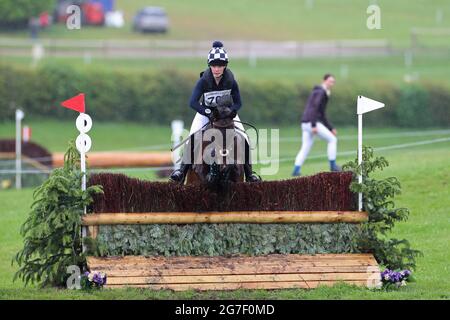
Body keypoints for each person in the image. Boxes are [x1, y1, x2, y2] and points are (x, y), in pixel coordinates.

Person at [170, 41, 261, 183]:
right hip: (205, 113)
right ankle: (181, 172)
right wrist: (207, 112)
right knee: (193, 138)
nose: (217, 69)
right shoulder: (203, 81)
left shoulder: (231, 81)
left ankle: (250, 174)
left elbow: (238, 102)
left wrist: (231, 112)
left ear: (225, 66)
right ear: (209, 65)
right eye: (214, 65)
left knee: (244, 138)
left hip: (226, 115)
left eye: (220, 65)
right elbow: (193, 102)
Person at [292, 74, 341, 176]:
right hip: (311, 122)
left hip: (305, 123)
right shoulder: (321, 92)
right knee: (332, 140)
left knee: (305, 147)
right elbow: (315, 108)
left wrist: (330, 127)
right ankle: (333, 166)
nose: (332, 83)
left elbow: (322, 113)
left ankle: (296, 170)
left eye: (333, 82)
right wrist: (314, 125)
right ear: (324, 80)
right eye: (330, 81)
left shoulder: (318, 91)